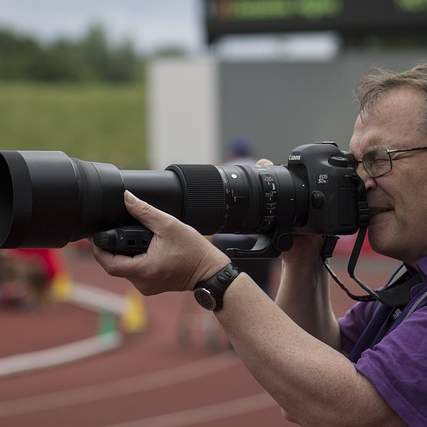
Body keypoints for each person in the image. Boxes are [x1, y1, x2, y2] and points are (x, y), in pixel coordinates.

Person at [92, 64, 427, 426]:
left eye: (378, 160)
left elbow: (349, 411)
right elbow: (308, 382)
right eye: (355, 164)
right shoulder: (410, 285)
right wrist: (303, 255)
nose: (361, 183)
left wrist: (211, 275)